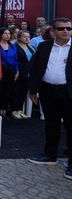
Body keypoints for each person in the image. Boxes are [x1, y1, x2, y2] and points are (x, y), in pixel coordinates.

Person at [28, 17, 72, 180]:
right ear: (53, 31)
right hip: (48, 91)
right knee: (51, 124)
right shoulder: (44, 46)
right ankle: (50, 155)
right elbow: (36, 68)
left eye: (68, 28)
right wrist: (33, 89)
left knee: (71, 127)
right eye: (61, 28)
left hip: (68, 93)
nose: (66, 31)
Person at [0, 27, 19, 117]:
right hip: (1, 69)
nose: (7, 35)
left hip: (12, 70)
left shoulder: (13, 46)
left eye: (9, 34)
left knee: (8, 89)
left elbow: (16, 59)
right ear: (1, 35)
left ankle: (4, 109)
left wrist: (17, 71)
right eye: (5, 33)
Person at [13, 30, 34, 119]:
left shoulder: (31, 47)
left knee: (23, 92)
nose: (27, 38)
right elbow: (14, 60)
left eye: (28, 37)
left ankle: (20, 110)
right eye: (24, 36)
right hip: (18, 72)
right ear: (19, 37)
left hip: (28, 73)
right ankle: (14, 110)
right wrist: (16, 71)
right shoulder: (15, 47)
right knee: (16, 91)